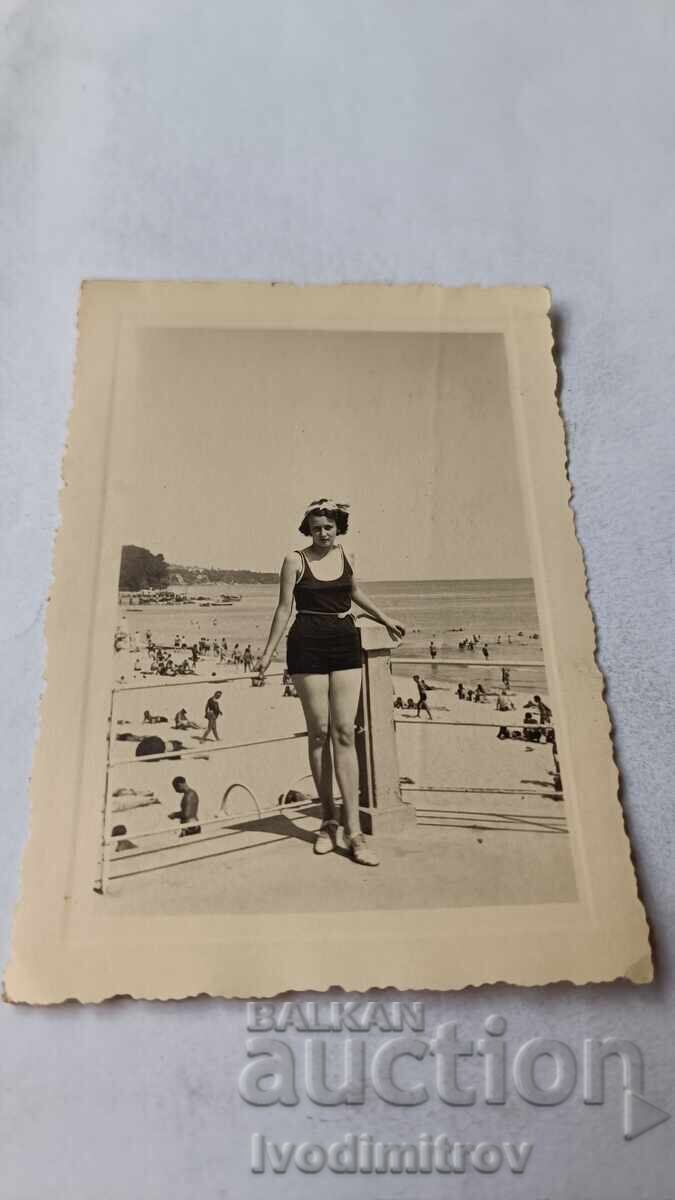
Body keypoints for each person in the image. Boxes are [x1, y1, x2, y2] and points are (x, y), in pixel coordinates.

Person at [259, 499, 404, 867]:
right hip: (306, 642)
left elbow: (353, 593)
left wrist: (385, 618)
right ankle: (327, 821)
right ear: (308, 527)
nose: (323, 533)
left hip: (344, 640)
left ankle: (354, 832)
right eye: (317, 527)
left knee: (344, 732)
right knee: (320, 731)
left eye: (329, 527)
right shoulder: (295, 560)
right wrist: (266, 654)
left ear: (338, 527)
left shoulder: (345, 553)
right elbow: (283, 609)